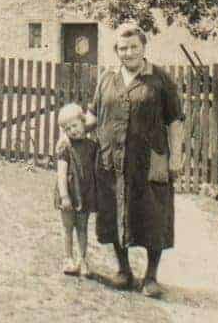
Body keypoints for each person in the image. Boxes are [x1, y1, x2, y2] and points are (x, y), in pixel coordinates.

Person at [72, 23, 184, 297]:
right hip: (112, 161)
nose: (129, 52)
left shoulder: (160, 79)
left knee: (153, 215)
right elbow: (94, 116)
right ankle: (123, 270)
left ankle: (151, 277)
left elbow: (175, 122)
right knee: (113, 212)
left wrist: (176, 157)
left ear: (144, 47)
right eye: (123, 48)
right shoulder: (107, 78)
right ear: (116, 51)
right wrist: (72, 130)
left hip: (149, 162)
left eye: (134, 46)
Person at [54, 102, 98, 277]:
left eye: (75, 125)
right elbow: (61, 174)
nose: (72, 130)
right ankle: (68, 258)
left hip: (84, 194)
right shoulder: (65, 147)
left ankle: (83, 259)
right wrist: (64, 196)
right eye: (67, 128)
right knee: (67, 227)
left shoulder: (91, 146)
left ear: (83, 122)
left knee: (82, 228)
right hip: (69, 194)